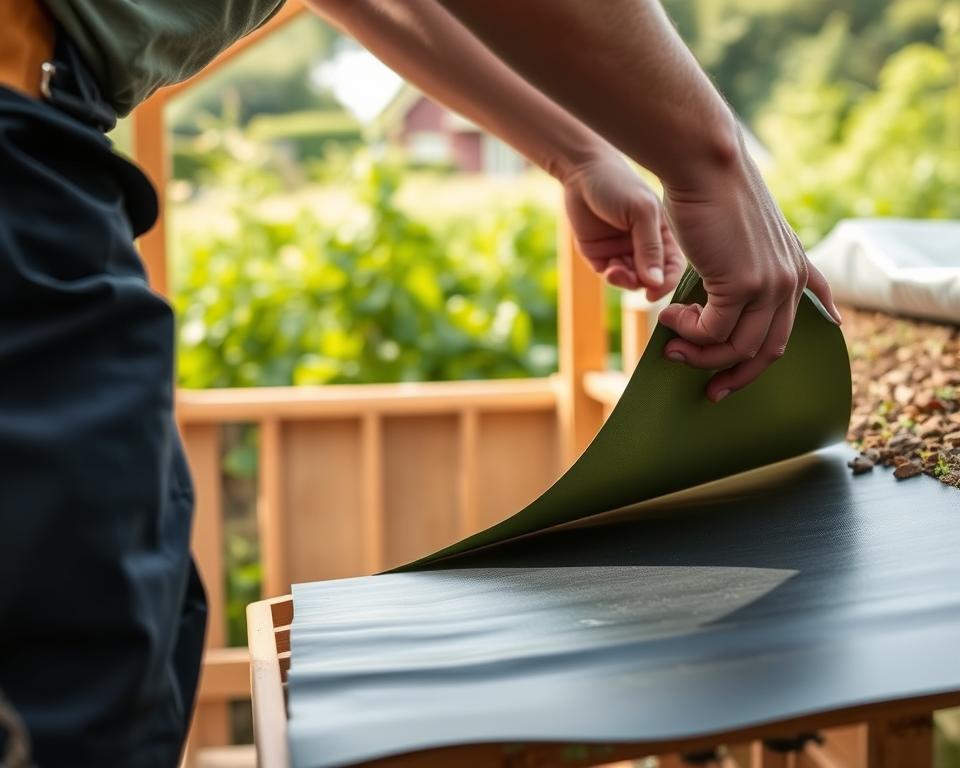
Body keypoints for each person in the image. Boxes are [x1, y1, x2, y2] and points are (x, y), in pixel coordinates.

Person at [0, 0, 842, 765]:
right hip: (22, 152)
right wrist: (714, 163)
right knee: (79, 681)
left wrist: (578, 149)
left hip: (45, 145)